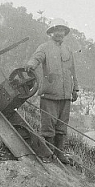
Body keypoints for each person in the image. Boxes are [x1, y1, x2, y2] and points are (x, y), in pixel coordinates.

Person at [25, 18, 80, 163]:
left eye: (61, 30)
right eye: (56, 30)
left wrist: (75, 88)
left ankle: (59, 154)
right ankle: (47, 153)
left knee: (62, 127)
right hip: (49, 94)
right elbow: (36, 58)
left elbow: (73, 70)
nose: (59, 33)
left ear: (65, 33)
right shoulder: (44, 47)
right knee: (48, 126)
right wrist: (30, 65)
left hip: (65, 96)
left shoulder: (68, 50)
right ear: (51, 32)